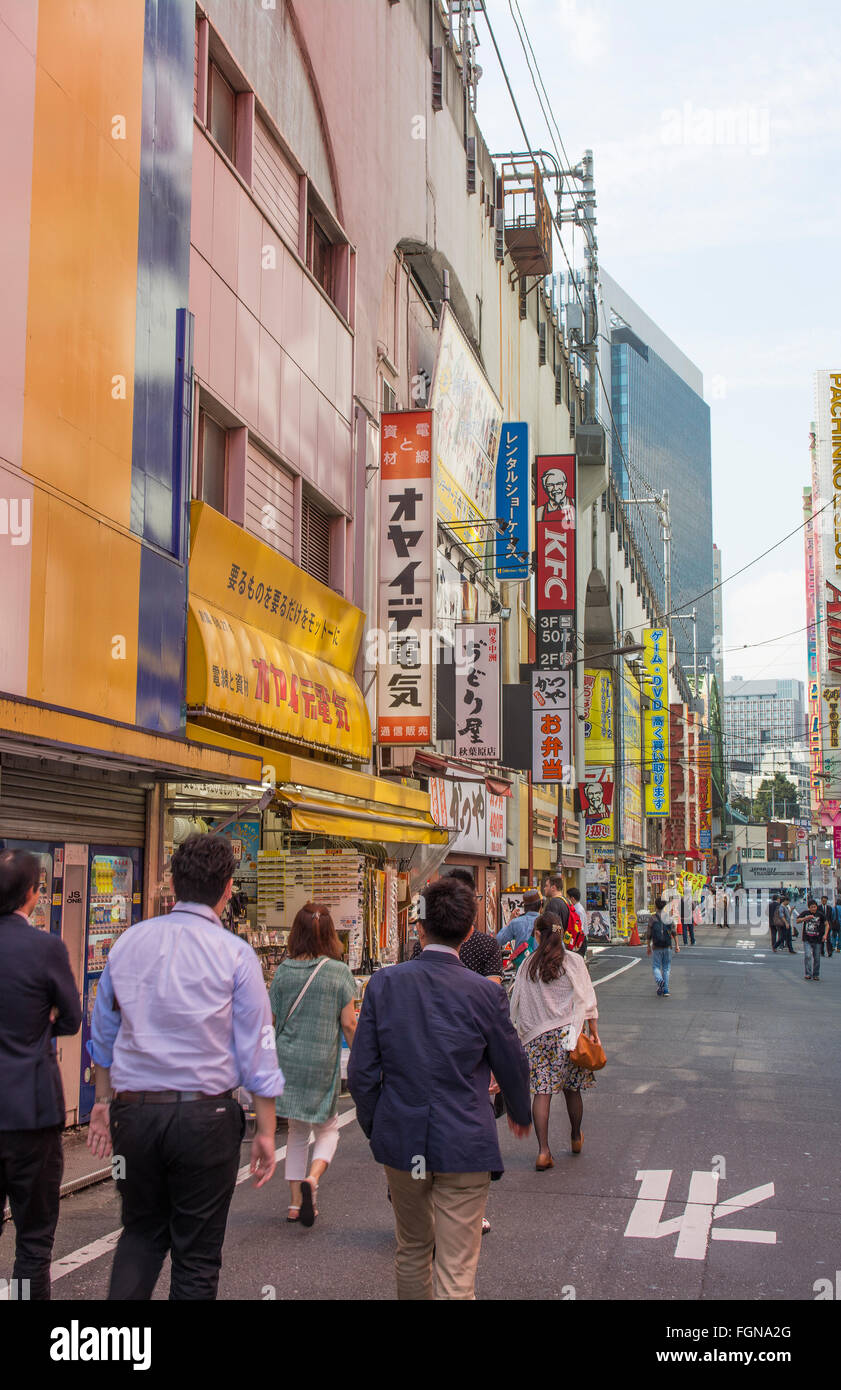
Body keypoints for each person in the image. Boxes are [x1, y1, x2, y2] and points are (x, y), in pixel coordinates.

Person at [87, 833, 285, 1300]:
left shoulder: (128, 943)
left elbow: (104, 1034)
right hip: (206, 1118)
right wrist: (266, 1128)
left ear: (172, 884)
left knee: (139, 1233)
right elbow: (258, 1044)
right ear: (228, 888)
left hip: (133, 1114)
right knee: (196, 1255)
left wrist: (101, 1103)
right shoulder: (236, 954)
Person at [348, 876, 532, 1301]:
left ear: (419, 927)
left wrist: (379, 1124)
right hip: (465, 1143)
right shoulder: (483, 994)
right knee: (456, 1266)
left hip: (405, 1143)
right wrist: (520, 1113)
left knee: (413, 1247)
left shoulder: (385, 985)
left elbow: (361, 1073)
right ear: (469, 932)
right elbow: (512, 1062)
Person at [0, 849, 82, 1300]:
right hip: (31, 1110)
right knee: (33, 1238)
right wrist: (42, 1023)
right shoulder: (44, 947)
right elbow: (71, 1019)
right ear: (32, 894)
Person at [269, 903, 357, 1227]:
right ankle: (313, 1179)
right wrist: (363, 1058)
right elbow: (348, 1023)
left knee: (295, 1131)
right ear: (332, 934)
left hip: (288, 1060)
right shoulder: (339, 972)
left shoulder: (283, 971)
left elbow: (271, 1021)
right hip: (322, 1060)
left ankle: (294, 1204)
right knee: (328, 1128)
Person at [509, 914, 600, 1167]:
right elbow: (586, 998)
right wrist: (592, 1030)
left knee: (542, 1091)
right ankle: (574, 1136)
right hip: (568, 1033)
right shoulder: (573, 960)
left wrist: (517, 1032)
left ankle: (543, 1151)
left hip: (537, 1036)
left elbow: (517, 1000)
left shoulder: (527, 964)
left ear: (538, 934)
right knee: (572, 1088)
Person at [411, 869, 503, 983]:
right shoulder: (487, 945)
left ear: (420, 930)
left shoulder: (422, 944)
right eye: (477, 897)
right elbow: (493, 986)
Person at [497, 890, 541, 971]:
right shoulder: (549, 921)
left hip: (522, 971)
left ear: (524, 907)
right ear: (540, 905)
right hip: (543, 971)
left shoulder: (516, 922)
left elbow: (499, 940)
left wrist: (510, 920)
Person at [647, 897, 680, 996]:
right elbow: (674, 933)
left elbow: (648, 934)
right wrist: (677, 946)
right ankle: (665, 990)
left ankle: (659, 980)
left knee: (656, 966)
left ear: (656, 906)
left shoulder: (652, 918)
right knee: (666, 968)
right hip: (667, 946)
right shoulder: (669, 918)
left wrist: (648, 946)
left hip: (656, 946)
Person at [797, 898, 829, 981]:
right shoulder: (806, 913)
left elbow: (827, 925)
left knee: (817, 957)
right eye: (812, 907)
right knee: (807, 956)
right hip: (807, 938)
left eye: (815, 907)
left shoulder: (820, 915)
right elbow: (797, 920)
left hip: (817, 939)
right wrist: (806, 918)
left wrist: (825, 935)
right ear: (809, 908)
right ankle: (808, 973)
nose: (813, 908)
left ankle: (816, 974)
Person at [566, 887, 589, 959]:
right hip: (579, 939)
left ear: (572, 898)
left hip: (579, 940)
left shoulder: (578, 910)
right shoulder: (578, 908)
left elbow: (579, 929)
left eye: (567, 897)